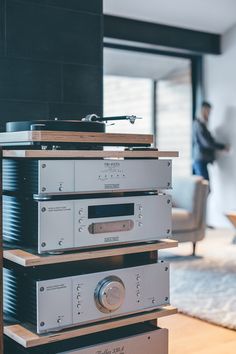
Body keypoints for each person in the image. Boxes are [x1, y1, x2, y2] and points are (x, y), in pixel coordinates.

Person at [193, 101, 228, 182]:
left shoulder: (202, 124)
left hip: (202, 160)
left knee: (205, 188)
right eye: (208, 111)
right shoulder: (198, 124)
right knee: (205, 188)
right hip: (200, 159)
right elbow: (206, 143)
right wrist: (222, 147)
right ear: (203, 110)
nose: (209, 114)